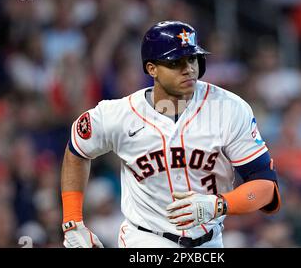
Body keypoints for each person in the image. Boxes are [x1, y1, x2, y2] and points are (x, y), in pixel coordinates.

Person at [60, 20, 281, 248]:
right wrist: (72, 221)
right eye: (176, 62)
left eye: (192, 59)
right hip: (145, 240)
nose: (189, 69)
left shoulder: (229, 108)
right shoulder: (116, 115)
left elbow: (265, 186)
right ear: (151, 68)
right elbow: (77, 151)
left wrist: (218, 204)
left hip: (210, 242)